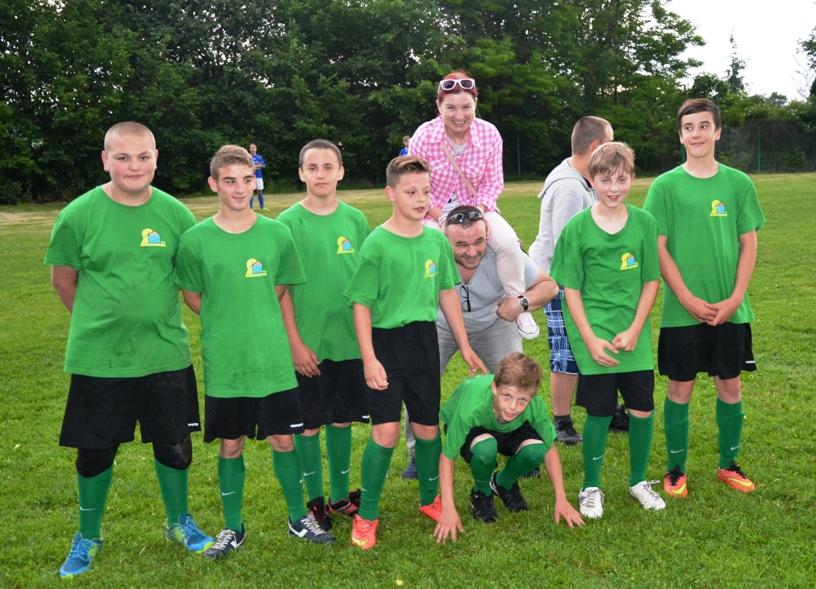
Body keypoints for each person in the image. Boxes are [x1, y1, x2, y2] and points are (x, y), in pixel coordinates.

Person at [45, 122, 213, 578]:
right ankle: (88, 536)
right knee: (95, 451)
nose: (133, 166)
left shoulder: (176, 215)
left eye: (143, 157)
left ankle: (179, 522)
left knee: (175, 445)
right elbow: (63, 281)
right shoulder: (78, 215)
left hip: (165, 355)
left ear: (156, 158)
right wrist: (100, 323)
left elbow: (192, 280)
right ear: (106, 160)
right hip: (100, 359)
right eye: (122, 157)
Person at [175, 145, 334, 560]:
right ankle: (233, 526)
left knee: (284, 438)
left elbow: (279, 287)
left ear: (255, 182)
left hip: (272, 358)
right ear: (213, 184)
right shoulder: (195, 240)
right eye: (229, 181)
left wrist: (258, 316)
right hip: (227, 360)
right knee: (231, 443)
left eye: (247, 180)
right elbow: (192, 295)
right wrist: (228, 318)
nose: (239, 189)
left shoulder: (277, 234)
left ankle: (298, 517)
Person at [343, 155, 486, 550]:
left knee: (426, 428)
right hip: (385, 344)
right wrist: (369, 358)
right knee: (386, 432)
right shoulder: (377, 243)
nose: (421, 199)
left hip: (424, 341)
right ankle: (367, 513)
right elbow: (361, 304)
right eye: (411, 192)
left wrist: (464, 343)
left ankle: (429, 499)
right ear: (390, 194)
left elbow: (446, 292)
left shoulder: (436, 240)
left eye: (425, 191)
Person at [643, 98, 765, 498]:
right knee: (680, 389)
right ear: (680, 136)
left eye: (703, 125)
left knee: (730, 385)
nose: (696, 133)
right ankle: (675, 469)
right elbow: (658, 247)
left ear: (718, 131)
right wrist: (686, 297)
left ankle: (729, 463)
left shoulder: (738, 183)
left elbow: (749, 243)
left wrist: (735, 298)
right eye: (688, 127)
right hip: (682, 311)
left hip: (730, 308)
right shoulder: (664, 186)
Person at [401, 204, 559, 480]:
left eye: (478, 242)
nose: (472, 251)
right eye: (461, 244)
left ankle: (523, 442)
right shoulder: (431, 254)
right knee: (420, 382)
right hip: (441, 323)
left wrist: (521, 302)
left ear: (488, 235)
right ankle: (418, 452)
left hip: (494, 322)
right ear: (445, 240)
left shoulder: (505, 255)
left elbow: (549, 286)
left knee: (518, 380)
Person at [551, 142, 665, 520]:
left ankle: (638, 482)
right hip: (595, 336)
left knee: (642, 410)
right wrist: (589, 339)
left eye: (621, 179)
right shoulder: (577, 228)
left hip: (633, 337)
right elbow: (571, 290)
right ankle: (590, 487)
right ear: (592, 179)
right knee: (599, 412)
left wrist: (635, 329)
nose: (614, 188)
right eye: (605, 179)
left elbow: (651, 281)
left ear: (632, 178)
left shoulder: (645, 223)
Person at [278, 139, 370, 530]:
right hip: (308, 343)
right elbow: (281, 289)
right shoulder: (287, 223)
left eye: (328, 167)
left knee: (342, 419)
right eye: (312, 167)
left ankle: (340, 495)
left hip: (347, 341)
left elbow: (366, 283)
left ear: (341, 172)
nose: (320, 174)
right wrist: (295, 343)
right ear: (301, 173)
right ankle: (315, 500)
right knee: (309, 423)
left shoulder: (356, 220)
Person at [409, 70, 539, 340]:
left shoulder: (489, 134)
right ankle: (422, 312)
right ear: (438, 106)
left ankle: (517, 301)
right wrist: (441, 218)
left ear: (476, 104)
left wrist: (478, 214)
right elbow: (416, 186)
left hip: (478, 207)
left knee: (507, 242)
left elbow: (493, 183)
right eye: (451, 108)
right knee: (426, 248)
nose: (459, 115)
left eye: (466, 107)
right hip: (434, 210)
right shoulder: (423, 136)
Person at [529, 116, 625, 445]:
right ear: (596, 146)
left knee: (598, 340)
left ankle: (606, 408)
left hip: (584, 281)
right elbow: (566, 246)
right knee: (566, 352)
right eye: (610, 142)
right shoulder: (569, 188)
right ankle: (561, 421)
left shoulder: (582, 178)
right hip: (561, 281)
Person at [434, 353, 584, 542]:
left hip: (511, 426)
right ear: (495, 387)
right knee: (486, 449)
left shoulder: (533, 406)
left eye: (522, 400)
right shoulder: (473, 405)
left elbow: (550, 449)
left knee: (536, 450)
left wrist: (561, 499)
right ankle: (482, 491)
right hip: (475, 427)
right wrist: (448, 508)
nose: (513, 406)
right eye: (507, 396)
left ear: (532, 397)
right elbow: (447, 457)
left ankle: (503, 483)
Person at [249, 143, 266, 209]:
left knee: (260, 191)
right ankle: (250, 208)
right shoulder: (248, 157)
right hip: (250, 176)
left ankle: (262, 207)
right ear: (249, 149)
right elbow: (247, 166)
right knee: (251, 191)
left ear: (256, 149)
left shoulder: (259, 157)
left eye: (254, 147)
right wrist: (258, 165)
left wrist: (254, 166)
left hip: (259, 176)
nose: (252, 149)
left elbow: (263, 165)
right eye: (251, 148)